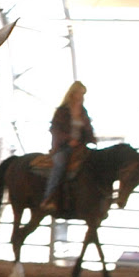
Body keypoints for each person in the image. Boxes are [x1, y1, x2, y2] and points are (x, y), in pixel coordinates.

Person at [41, 81, 96, 211]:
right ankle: (49, 197)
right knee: (60, 164)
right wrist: (68, 139)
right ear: (73, 93)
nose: (82, 96)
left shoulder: (83, 111)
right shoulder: (62, 111)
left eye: (83, 94)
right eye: (80, 93)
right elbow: (55, 129)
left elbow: (88, 128)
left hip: (80, 146)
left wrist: (92, 139)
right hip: (63, 147)